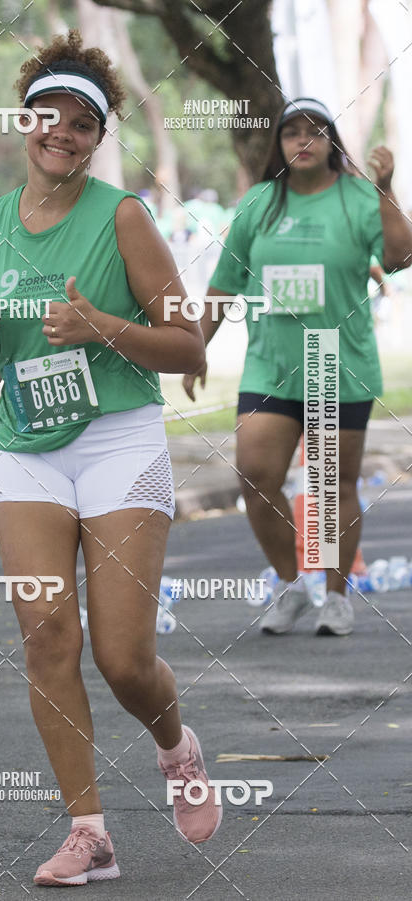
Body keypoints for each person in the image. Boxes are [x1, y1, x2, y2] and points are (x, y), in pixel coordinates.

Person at [0, 29, 221, 888]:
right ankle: (90, 833)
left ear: (97, 137)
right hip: (24, 446)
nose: (60, 134)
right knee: (45, 638)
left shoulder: (123, 216)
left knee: (122, 658)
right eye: (47, 117)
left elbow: (187, 346)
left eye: (80, 124)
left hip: (117, 443)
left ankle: (177, 748)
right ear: (24, 120)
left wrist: (103, 326)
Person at [183, 97, 412, 637]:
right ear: (278, 146)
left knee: (333, 485)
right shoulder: (259, 203)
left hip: (336, 361)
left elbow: (402, 256)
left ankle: (335, 595)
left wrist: (385, 187)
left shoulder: (358, 197)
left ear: (332, 142)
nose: (303, 141)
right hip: (271, 364)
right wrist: (196, 347)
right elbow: (224, 283)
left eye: (315, 132)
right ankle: (290, 586)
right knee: (256, 475)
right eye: (291, 133)